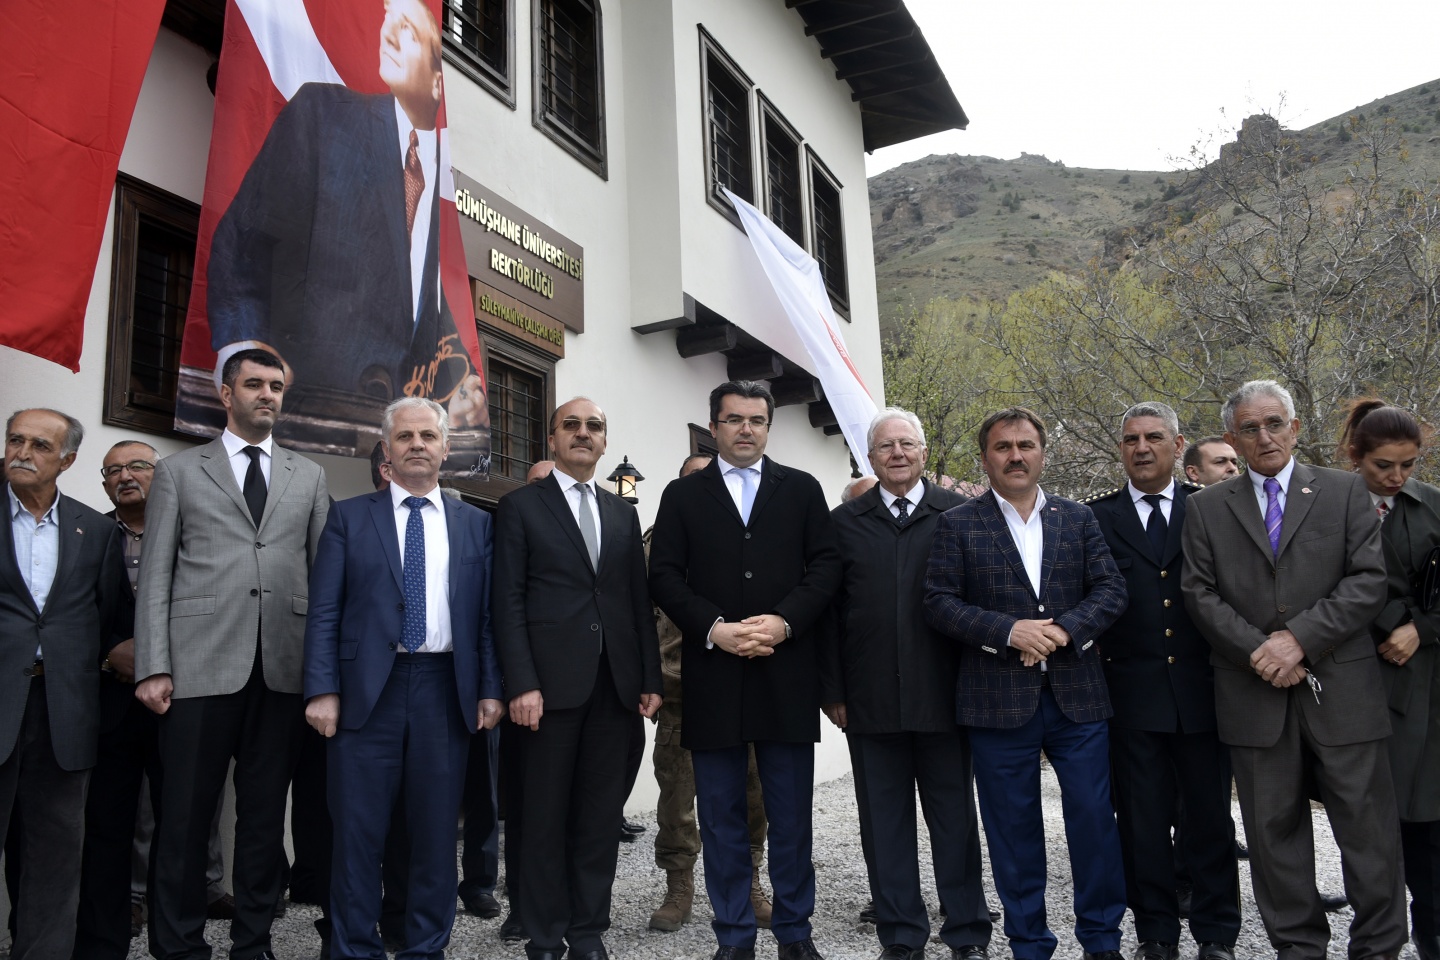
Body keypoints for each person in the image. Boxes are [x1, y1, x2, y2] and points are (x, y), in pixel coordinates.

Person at [1181, 379, 1405, 960]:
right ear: (1232, 437)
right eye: (1249, 428)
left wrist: (1298, 642)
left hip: (1344, 691)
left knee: (1369, 833)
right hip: (1253, 693)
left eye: (1274, 423)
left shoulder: (1345, 491)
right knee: (1272, 836)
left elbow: (1367, 582)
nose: (1265, 436)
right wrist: (1262, 652)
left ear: (1296, 428)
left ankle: (1378, 948)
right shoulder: (1206, 508)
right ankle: (1298, 947)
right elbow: (1199, 594)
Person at [206, 0, 484, 431]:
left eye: (407, 30)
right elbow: (243, 243)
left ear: (436, 80)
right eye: (387, 25)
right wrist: (246, 357)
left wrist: (464, 386)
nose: (388, 35)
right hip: (299, 409)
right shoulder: (324, 114)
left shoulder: (434, 178)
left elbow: (419, 299)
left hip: (392, 430)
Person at [134, 348, 330, 960]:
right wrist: (153, 665)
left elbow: (323, 580)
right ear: (226, 394)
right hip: (197, 667)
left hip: (282, 668)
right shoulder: (179, 471)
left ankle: (253, 942)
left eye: (276, 385)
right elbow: (156, 576)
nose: (267, 394)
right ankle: (178, 944)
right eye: (254, 385)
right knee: (186, 819)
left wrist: (323, 674)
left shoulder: (309, 474)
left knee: (265, 820)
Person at [922, 406, 1129, 960]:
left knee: (1093, 823)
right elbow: (939, 603)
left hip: (1078, 699)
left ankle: (1102, 940)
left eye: (1026, 445)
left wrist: (1065, 629)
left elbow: (1110, 591)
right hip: (996, 701)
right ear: (985, 457)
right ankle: (1029, 943)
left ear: (1042, 452)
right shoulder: (958, 523)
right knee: (1013, 833)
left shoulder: (1078, 518)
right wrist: (1007, 631)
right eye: (1003, 446)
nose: (1016, 455)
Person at [303, 396, 502, 959]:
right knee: (358, 837)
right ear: (386, 451)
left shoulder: (476, 525)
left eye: (428, 436)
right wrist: (321, 689)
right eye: (405, 436)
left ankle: (425, 948)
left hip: (444, 691)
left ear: (445, 449)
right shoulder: (348, 517)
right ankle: (352, 949)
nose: (417, 444)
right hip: (368, 695)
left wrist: (490, 688)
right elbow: (324, 611)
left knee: (436, 837)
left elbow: (485, 618)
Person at [650, 380, 841, 960]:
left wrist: (784, 622)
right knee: (722, 820)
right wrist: (715, 629)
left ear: (768, 427)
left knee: (789, 821)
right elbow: (663, 576)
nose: (745, 429)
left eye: (756, 420)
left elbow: (826, 567)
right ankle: (733, 936)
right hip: (712, 678)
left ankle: (795, 934)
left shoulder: (802, 489)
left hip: (784, 676)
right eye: (733, 419)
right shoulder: (682, 497)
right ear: (714, 426)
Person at [493, 398, 664, 960]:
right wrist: (520, 683)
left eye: (595, 427)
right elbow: (507, 603)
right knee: (542, 820)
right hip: (546, 693)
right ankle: (543, 937)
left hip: (614, 691)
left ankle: (587, 932)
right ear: (552, 439)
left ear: (605, 442)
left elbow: (637, 603)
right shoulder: (520, 507)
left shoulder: (622, 512)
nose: (584, 433)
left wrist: (648, 676)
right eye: (572, 425)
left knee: (597, 821)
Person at [821, 408, 991, 960]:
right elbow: (827, 615)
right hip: (868, 701)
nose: (897, 453)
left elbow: (980, 606)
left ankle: (966, 931)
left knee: (955, 822)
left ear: (923, 453)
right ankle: (899, 934)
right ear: (870, 458)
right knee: (883, 824)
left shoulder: (961, 515)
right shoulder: (842, 524)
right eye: (885, 446)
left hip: (946, 697)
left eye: (907, 444)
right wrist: (833, 690)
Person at [1083, 403, 1240, 960]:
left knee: (1209, 822)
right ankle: (1155, 933)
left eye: (1154, 438)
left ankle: (1217, 933)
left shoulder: (1213, 509)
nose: (1142, 448)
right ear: (1120, 449)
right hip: (1130, 697)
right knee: (1142, 826)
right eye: (1130, 439)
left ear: (1179, 447)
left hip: (1204, 693)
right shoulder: (1095, 518)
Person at [75, 440, 234, 959]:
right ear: (103, 484)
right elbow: (67, 616)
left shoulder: (196, 535)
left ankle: (178, 939)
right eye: (113, 470)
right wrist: (105, 655)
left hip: (183, 701)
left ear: (161, 476)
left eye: (139, 466)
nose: (126, 476)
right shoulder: (90, 536)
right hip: (111, 707)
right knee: (106, 828)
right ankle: (103, 942)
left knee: (183, 824)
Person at [1, 409, 132, 960]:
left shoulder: (96, 530)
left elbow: (109, 621)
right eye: (15, 439)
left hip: (64, 710)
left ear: (68, 460)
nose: (22, 451)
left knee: (56, 857)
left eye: (39, 444)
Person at [647, 453, 773, 934]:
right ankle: (679, 885)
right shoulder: (657, 543)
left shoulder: (752, 533)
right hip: (681, 686)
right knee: (677, 795)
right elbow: (639, 614)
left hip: (748, 682)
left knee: (752, 793)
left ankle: (750, 881)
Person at [1341, 398, 1440, 960]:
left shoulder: (1431, 509)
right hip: (1355, 673)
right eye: (1384, 466)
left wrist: (1420, 629)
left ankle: (1430, 930)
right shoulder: (1330, 504)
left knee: (1425, 812)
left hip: (1423, 679)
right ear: (1357, 456)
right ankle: (1377, 930)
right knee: (1368, 816)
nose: (1397, 477)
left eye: (1408, 465)